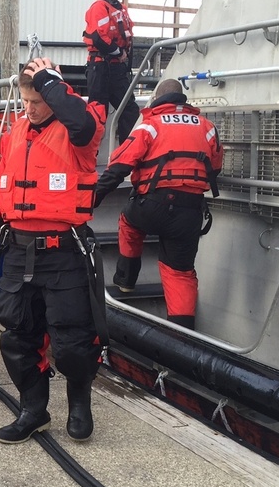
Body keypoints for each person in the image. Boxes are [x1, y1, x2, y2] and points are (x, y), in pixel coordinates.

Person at [0, 57, 106, 443]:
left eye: (36, 101)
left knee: (72, 341)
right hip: (19, 252)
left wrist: (50, 80)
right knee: (17, 338)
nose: (29, 109)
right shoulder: (16, 131)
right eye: (25, 101)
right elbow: (5, 186)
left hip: (64, 253)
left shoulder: (80, 129)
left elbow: (82, 122)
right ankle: (33, 411)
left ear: (53, 95)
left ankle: (79, 402)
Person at [95, 78, 224, 331]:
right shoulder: (208, 127)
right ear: (182, 99)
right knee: (180, 273)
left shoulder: (149, 126)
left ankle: (126, 279)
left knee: (128, 224)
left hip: (151, 206)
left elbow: (119, 167)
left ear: (157, 99)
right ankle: (182, 334)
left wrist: (92, 199)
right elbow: (215, 167)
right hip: (190, 211)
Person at [83, 0, 140, 143]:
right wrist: (118, 52)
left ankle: (126, 155)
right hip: (100, 67)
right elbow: (98, 38)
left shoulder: (121, 8)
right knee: (97, 113)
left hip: (117, 69)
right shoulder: (98, 8)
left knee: (129, 109)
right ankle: (90, 158)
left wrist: (122, 56)